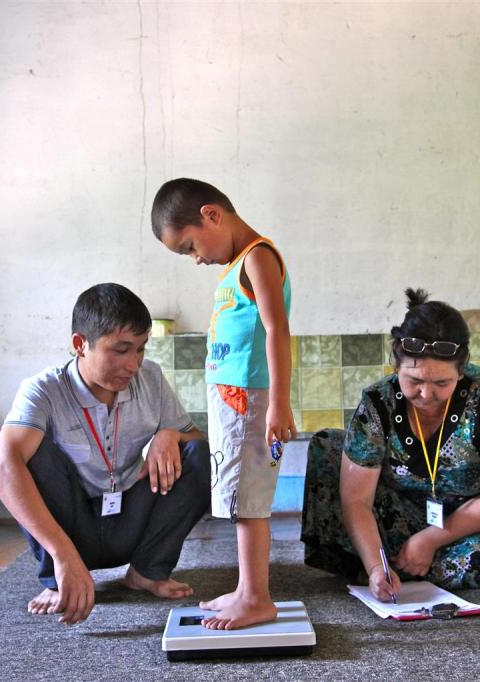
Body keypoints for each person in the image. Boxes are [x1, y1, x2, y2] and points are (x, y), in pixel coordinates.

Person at [0, 283, 210, 625]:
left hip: (130, 518)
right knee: (33, 455)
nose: (133, 364)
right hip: (74, 529)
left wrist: (170, 434)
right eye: (121, 350)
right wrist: (62, 555)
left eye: (141, 349)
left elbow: (194, 439)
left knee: (197, 451)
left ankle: (147, 571)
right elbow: (1, 469)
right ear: (80, 345)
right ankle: (57, 578)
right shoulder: (43, 389)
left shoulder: (150, 378)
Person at [301, 288, 480, 601]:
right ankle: (384, 568)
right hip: (398, 514)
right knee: (328, 446)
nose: (425, 394)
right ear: (397, 364)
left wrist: (433, 538)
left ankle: (404, 565)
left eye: (441, 383)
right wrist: (374, 565)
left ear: (461, 371)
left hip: (469, 522)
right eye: (414, 381)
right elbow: (357, 501)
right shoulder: (378, 402)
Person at [152, 178, 294, 630]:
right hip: (232, 403)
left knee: (247, 501)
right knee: (237, 499)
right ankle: (245, 587)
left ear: (212, 215)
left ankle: (257, 597)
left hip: (251, 402)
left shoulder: (257, 257)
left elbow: (277, 330)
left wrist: (279, 404)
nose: (195, 258)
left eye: (190, 246)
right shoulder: (235, 267)